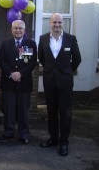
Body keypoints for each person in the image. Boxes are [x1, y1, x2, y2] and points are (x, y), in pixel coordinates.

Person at [38, 13, 81, 156]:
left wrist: (67, 71)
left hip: (65, 83)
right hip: (50, 82)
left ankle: (64, 142)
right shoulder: (43, 39)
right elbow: (42, 58)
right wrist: (52, 70)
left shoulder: (70, 39)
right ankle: (53, 138)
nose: (57, 25)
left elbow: (77, 59)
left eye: (59, 23)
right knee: (51, 112)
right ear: (50, 23)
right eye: (54, 22)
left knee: (65, 113)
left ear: (63, 24)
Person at [0, 20, 37, 145]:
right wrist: (11, 74)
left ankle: (24, 134)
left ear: (24, 30)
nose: (18, 30)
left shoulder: (30, 44)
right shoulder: (5, 43)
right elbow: (1, 61)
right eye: (15, 28)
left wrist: (20, 74)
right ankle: (8, 132)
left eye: (20, 28)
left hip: (24, 83)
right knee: (8, 110)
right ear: (11, 30)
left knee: (23, 111)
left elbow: (32, 62)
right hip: (8, 83)